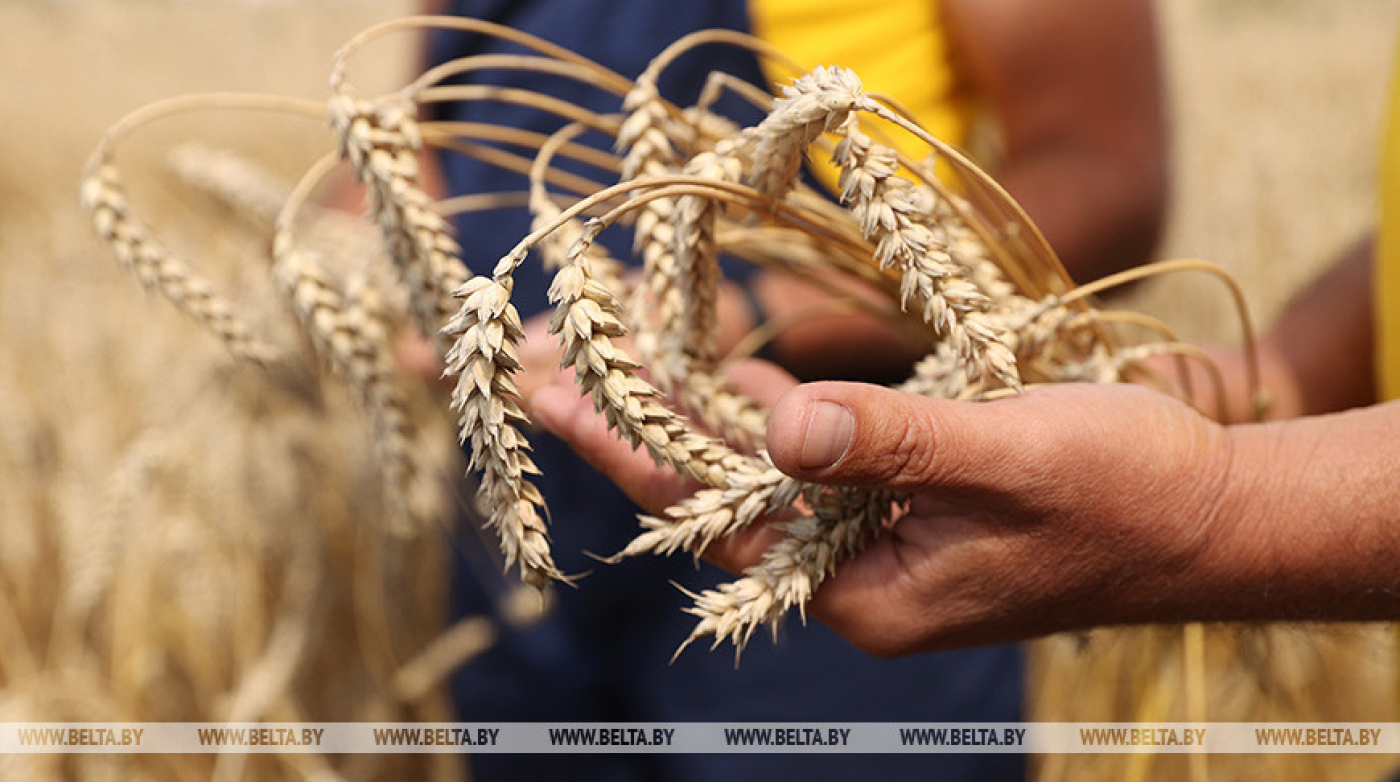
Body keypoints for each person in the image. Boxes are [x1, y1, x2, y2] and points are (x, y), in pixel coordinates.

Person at [416, 2, 1166, 780]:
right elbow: (428, 132)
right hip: (516, 503)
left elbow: (1104, 173)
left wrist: (751, 311)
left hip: (828, 501)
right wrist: (380, 269)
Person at [531, 37, 1400, 660]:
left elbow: (1102, 166)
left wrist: (1219, 508)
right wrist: (1271, 381)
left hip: (879, 548)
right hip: (574, 545)